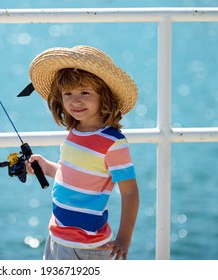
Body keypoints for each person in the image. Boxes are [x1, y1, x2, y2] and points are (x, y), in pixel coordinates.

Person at [25, 45, 139, 260]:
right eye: (68, 94)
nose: (75, 101)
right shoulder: (75, 131)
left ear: (103, 96)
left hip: (87, 246)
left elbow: (130, 192)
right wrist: (46, 167)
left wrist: (124, 238)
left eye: (85, 93)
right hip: (56, 234)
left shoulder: (114, 143)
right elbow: (73, 173)